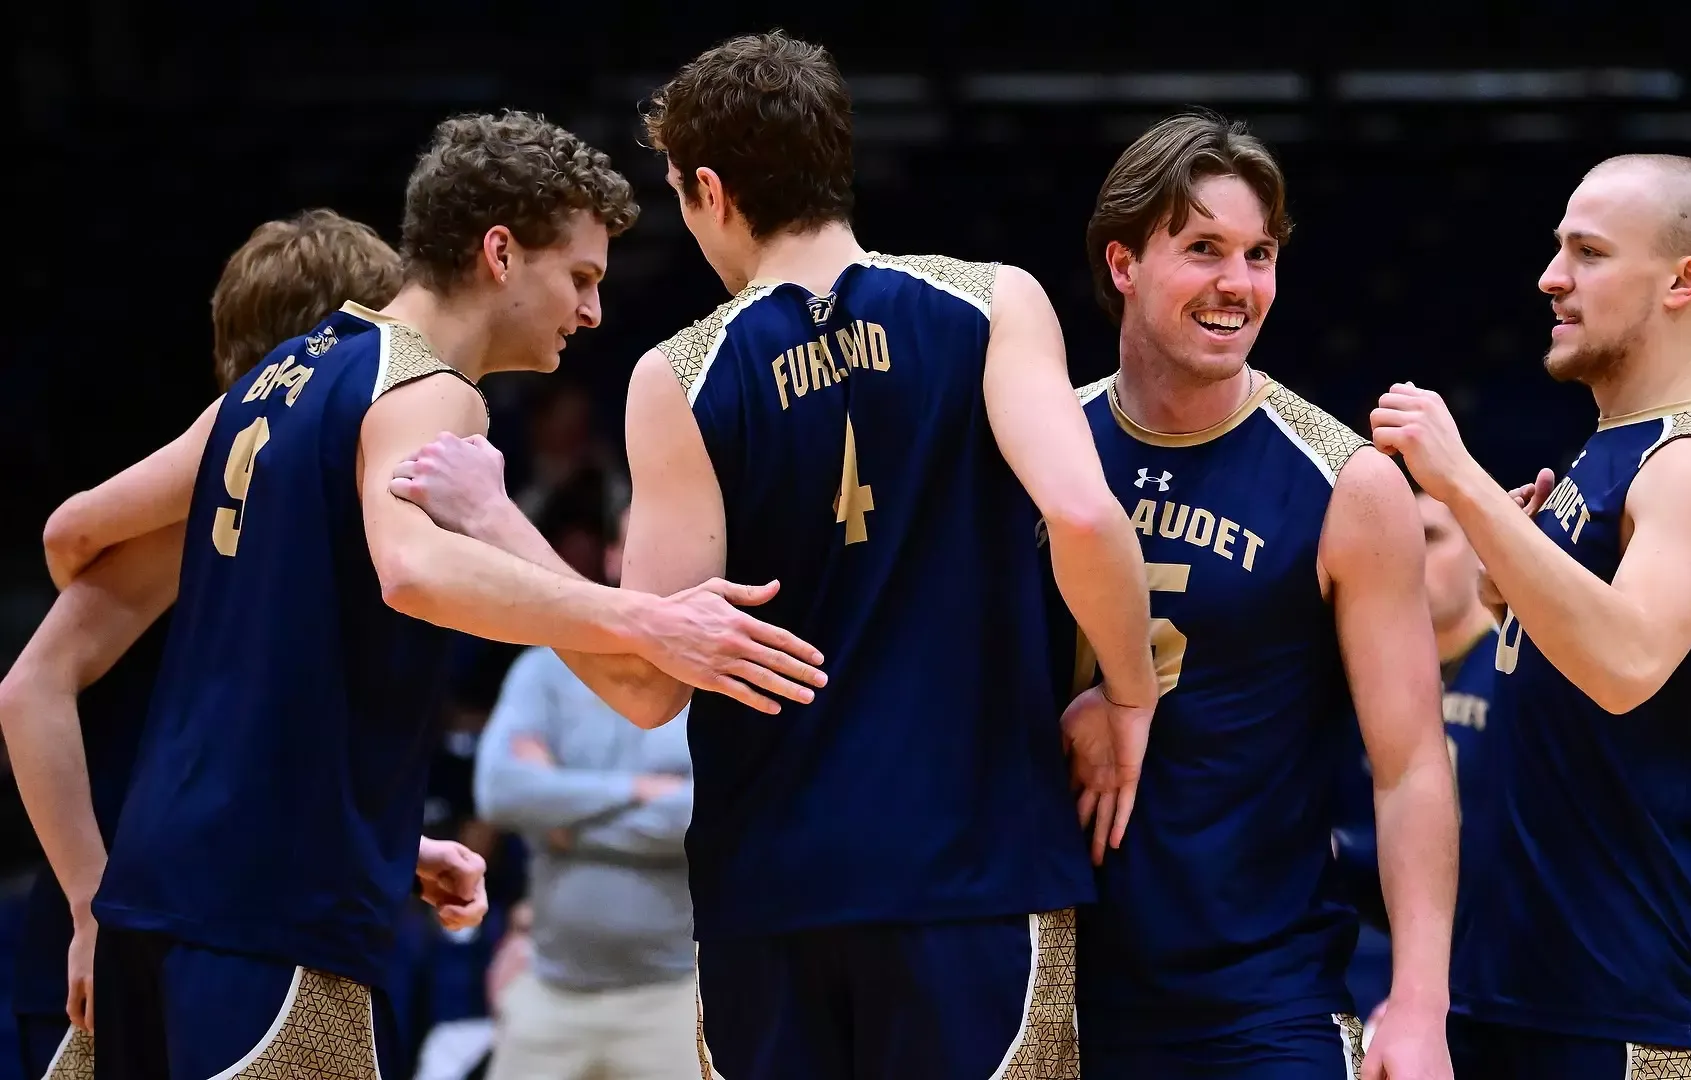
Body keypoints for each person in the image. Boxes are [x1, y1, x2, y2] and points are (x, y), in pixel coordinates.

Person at [387, 32, 1155, 1080]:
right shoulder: (992, 301)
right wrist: (1128, 695)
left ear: (709, 189)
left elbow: (647, 685)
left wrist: (493, 519)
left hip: (770, 896)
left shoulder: (680, 375)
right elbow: (1083, 515)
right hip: (976, 878)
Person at [30, 110, 823, 1080]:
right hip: (276, 917)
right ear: (499, 253)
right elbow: (411, 570)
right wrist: (644, 615)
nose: (592, 313)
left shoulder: (277, 376)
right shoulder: (429, 390)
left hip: (151, 904)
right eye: (580, 277)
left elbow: (72, 533)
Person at [0, 209, 492, 1078]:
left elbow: (255, 748)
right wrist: (89, 898)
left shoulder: (306, 523)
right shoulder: (217, 492)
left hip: (198, 899)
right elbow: (38, 654)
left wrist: (389, 846)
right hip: (142, 914)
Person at [1057, 112, 1456, 1080]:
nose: (1239, 285)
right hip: (1051, 987)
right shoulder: (1046, 451)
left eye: (1259, 254)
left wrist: (1417, 1004)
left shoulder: (1347, 484)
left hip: (1258, 1001)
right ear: (1122, 265)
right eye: (1203, 250)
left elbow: (1410, 765)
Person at [1372, 153, 1691, 1078]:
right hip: (1530, 982)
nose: (1551, 277)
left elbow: (1627, 663)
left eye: (1589, 253)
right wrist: (1506, 583)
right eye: (1559, 248)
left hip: (1641, 1006)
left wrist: (1462, 484)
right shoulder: (1607, 454)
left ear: (1686, 280)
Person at [474, 507, 701, 1080]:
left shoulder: (715, 678)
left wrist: (561, 816)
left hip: (676, 995)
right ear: (610, 556)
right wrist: (642, 790)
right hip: (551, 989)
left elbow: (702, 822)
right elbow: (500, 792)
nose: (649, 560)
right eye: (634, 544)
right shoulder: (542, 669)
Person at [1331, 484, 1502, 942]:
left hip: (1498, 945)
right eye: (1400, 539)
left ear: (1481, 554)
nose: (1409, 555)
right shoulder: (1354, 671)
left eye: (1430, 537)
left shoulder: (1521, 667)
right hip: (1377, 935)